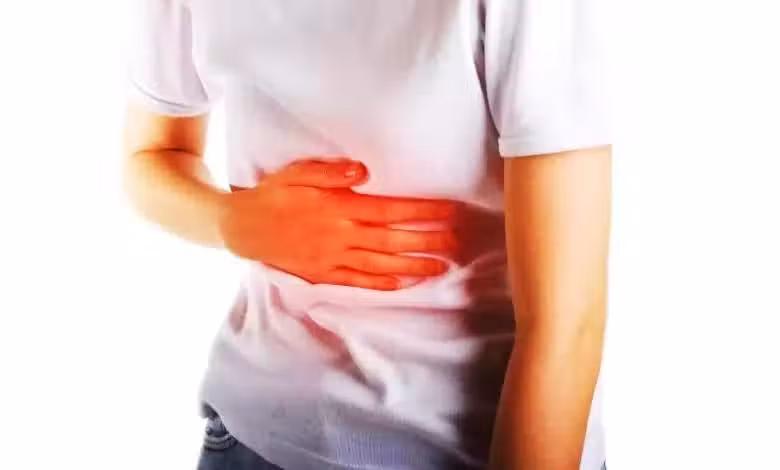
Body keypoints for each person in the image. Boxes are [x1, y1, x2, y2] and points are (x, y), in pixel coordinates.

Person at [123, 1, 611, 469]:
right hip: (252, 438)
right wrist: (233, 221)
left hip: (462, 447)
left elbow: (567, 328)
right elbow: (152, 154)